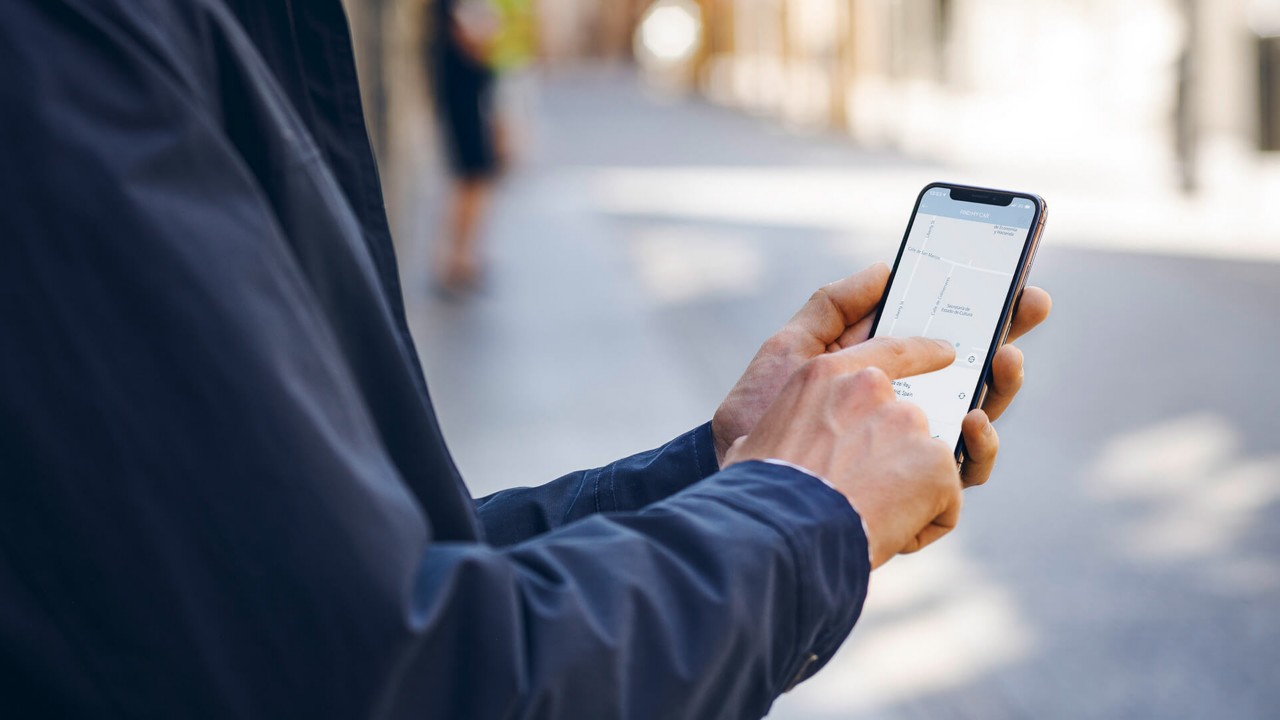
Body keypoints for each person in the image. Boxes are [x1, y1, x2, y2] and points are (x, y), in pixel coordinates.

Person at [0, 2, 1051, 718]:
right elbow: (391, 679)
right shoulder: (76, 45)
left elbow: (377, 578)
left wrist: (720, 464)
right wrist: (795, 509)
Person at [430, 0, 503, 292]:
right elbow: (474, 35)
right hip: (462, 98)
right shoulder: (449, 7)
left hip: (466, 95)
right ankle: (457, 259)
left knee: (472, 178)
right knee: (473, 175)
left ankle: (462, 256)